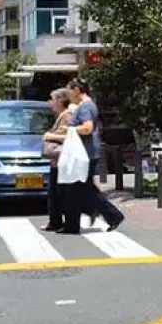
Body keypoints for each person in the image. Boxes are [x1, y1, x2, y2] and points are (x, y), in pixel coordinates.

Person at [48, 78, 124, 234]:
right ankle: (74, 224)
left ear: (76, 90)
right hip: (85, 153)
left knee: (82, 189)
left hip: (85, 154)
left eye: (69, 90)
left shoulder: (85, 107)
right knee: (78, 190)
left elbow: (88, 128)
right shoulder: (85, 106)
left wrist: (70, 130)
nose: (68, 94)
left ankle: (112, 215)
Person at [41, 88, 75, 232]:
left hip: (63, 160)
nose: (50, 102)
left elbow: (70, 136)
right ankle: (55, 221)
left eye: (52, 99)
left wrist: (50, 136)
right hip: (57, 160)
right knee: (54, 193)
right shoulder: (61, 115)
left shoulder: (67, 116)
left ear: (60, 101)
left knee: (61, 193)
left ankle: (67, 223)